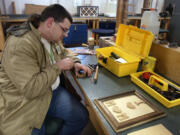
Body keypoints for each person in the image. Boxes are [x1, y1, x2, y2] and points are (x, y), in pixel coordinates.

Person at [0, 4, 92, 135]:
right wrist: (58, 66)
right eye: (64, 30)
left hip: (50, 91)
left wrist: (76, 63)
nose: (66, 35)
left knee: (81, 116)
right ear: (50, 23)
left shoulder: (51, 38)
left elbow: (63, 52)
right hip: (24, 101)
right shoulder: (21, 44)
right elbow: (30, 89)